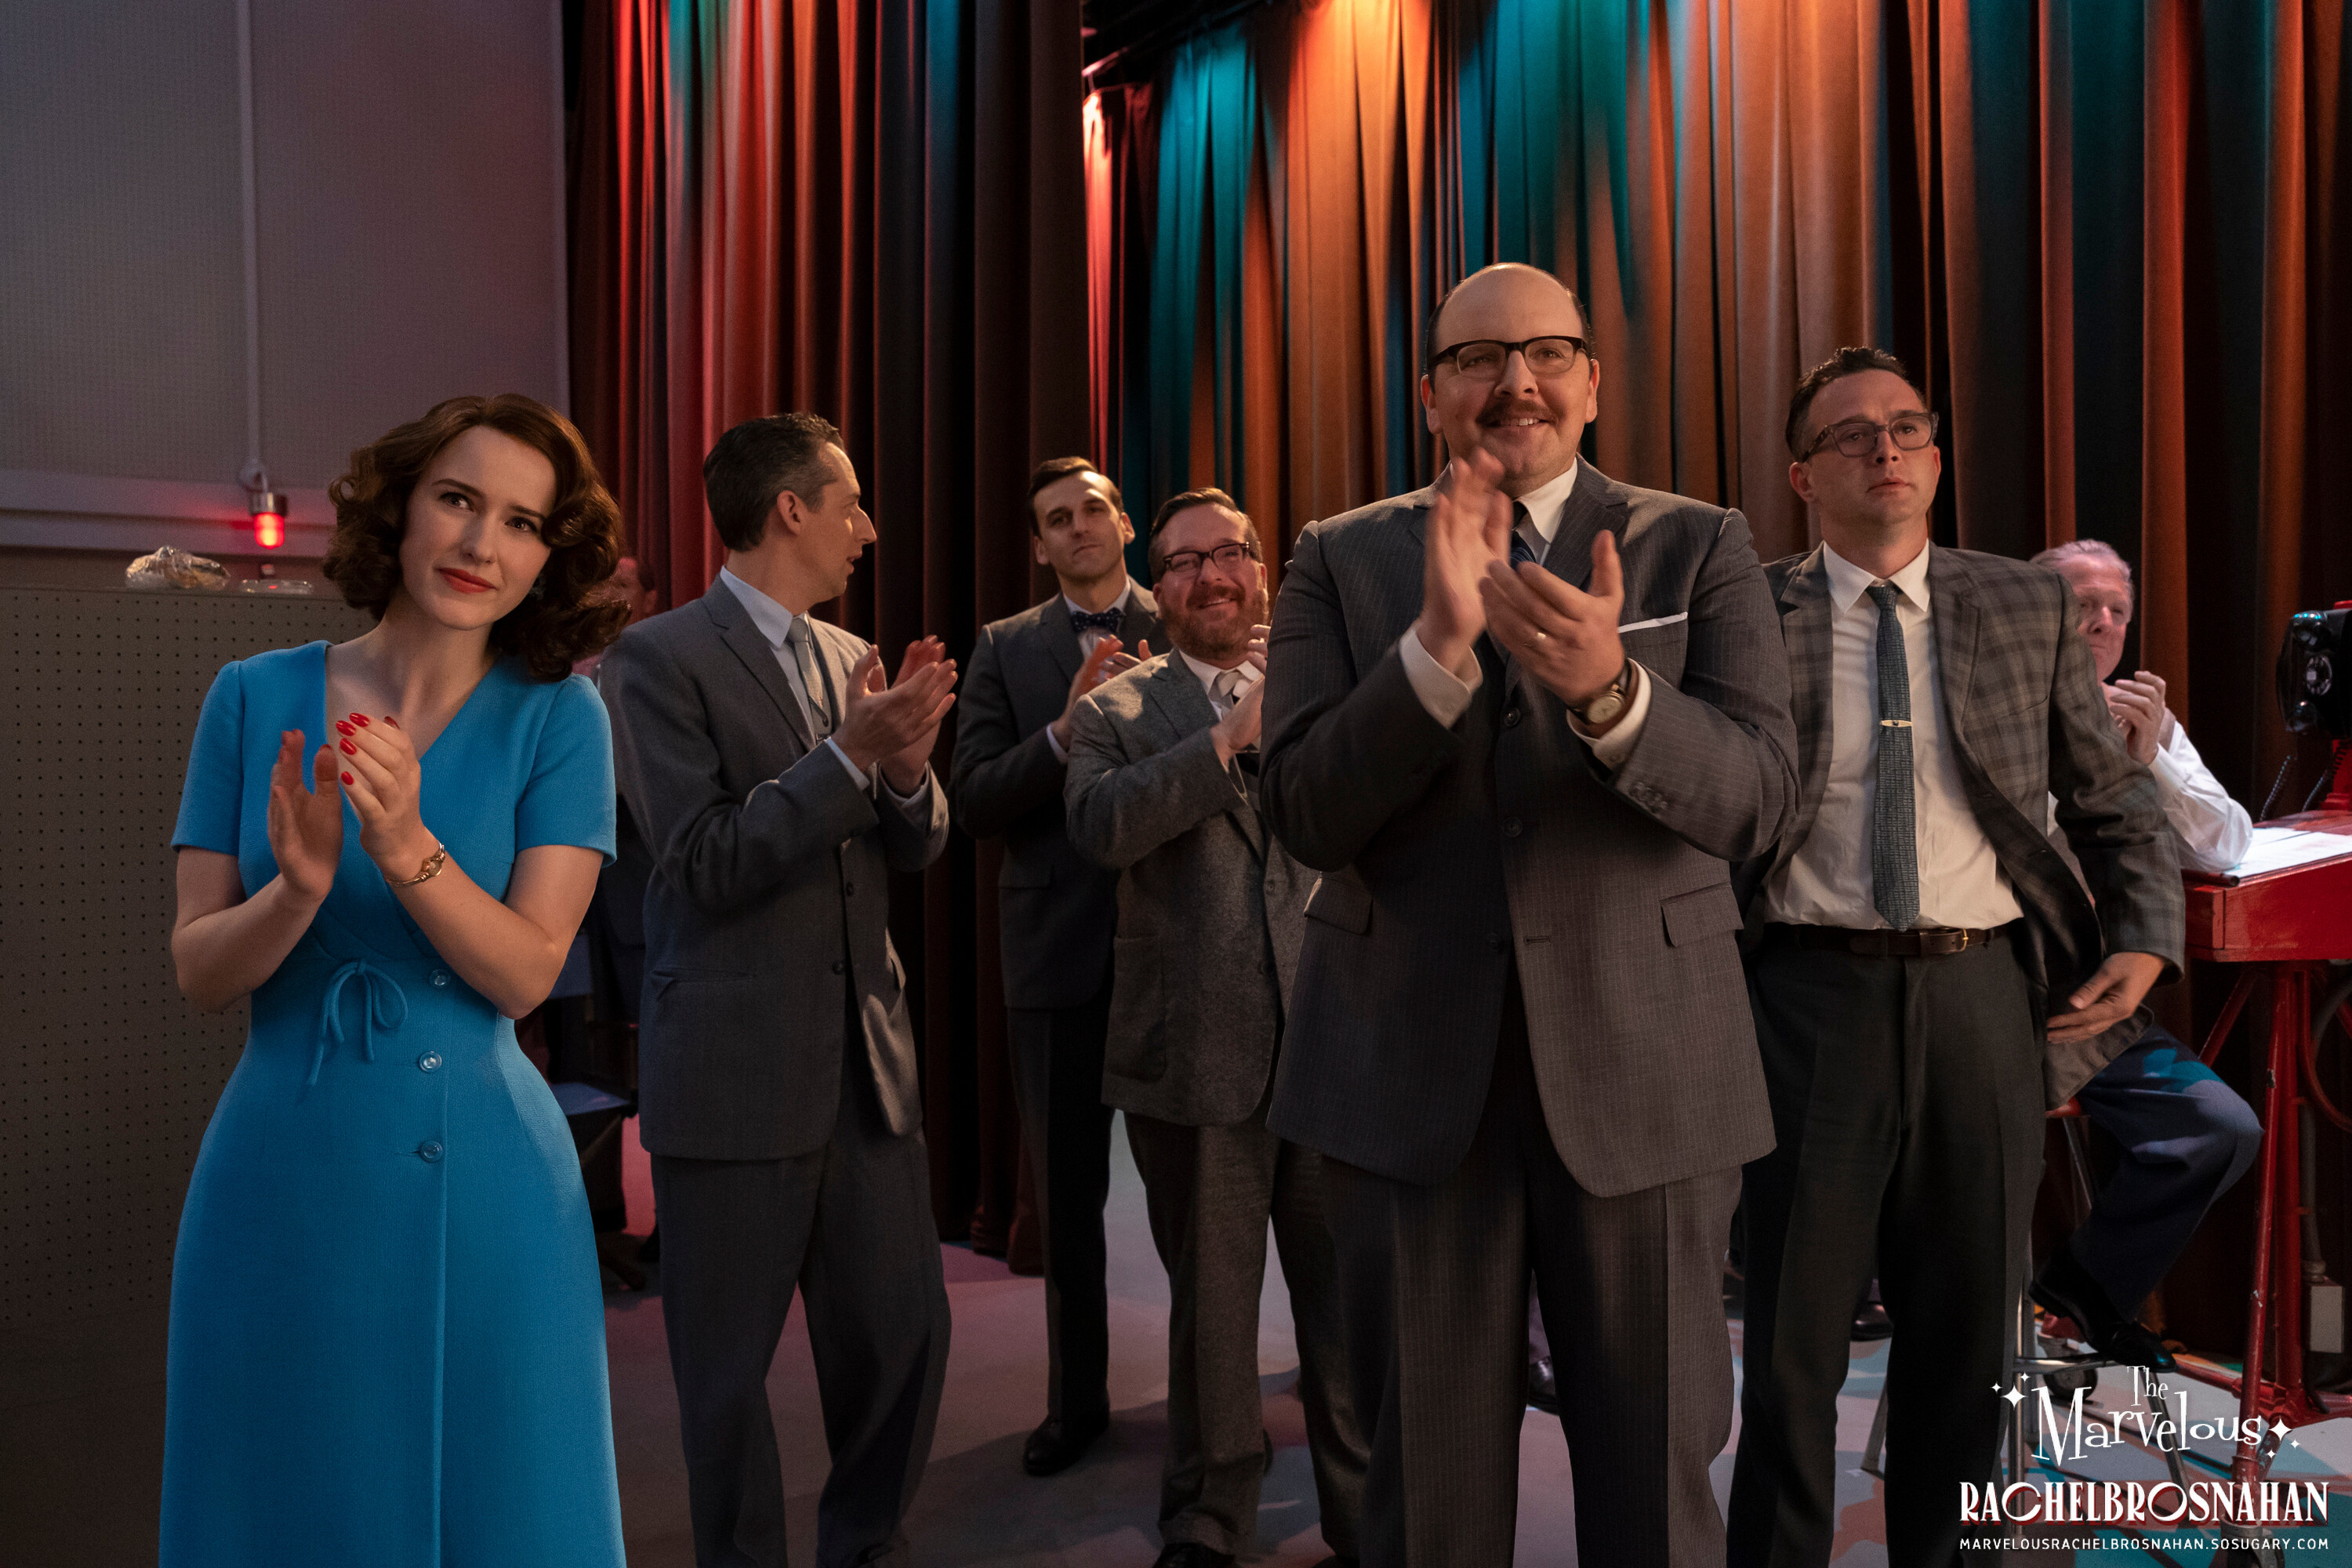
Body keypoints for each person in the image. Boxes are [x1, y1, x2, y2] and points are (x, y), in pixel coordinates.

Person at [1258, 261, 1799, 1566]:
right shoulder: (1337, 557)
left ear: (1593, 382)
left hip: (1648, 1072)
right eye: (1480, 359)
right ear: (1430, 392)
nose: (1518, 383)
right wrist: (1433, 658)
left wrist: (1615, 692)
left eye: (1548, 352)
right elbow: (1304, 814)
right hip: (1405, 1079)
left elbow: (1760, 801)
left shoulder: (1700, 541)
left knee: (1654, 1488)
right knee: (1426, 1499)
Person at [1726, 349, 2184, 1567]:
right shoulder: (1750, 612)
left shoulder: (2022, 605)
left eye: (1908, 427)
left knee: (1972, 1354)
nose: (1885, 449)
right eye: (1851, 434)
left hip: (1983, 996)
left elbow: (2111, 798)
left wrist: (2147, 938)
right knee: (1788, 1356)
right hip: (1802, 1000)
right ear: (1802, 475)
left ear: (1935, 456)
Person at [163, 394, 630, 1565]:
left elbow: (527, 973)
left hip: (488, 1177)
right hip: (279, 1163)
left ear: (550, 557)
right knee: (276, 1499)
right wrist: (298, 891)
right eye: (459, 500)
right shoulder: (250, 695)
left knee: (504, 1506)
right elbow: (199, 969)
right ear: (402, 508)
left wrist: (407, 845)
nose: (482, 544)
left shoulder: (562, 716)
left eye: (522, 523)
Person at [599, 412, 956, 1567]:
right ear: (790, 509)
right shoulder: (656, 658)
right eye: (850, 503)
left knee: (905, 1342)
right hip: (734, 1073)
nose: (868, 528)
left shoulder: (849, 650)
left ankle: (867, 1546)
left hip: (868, 1072)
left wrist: (906, 773)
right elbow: (702, 860)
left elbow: (916, 846)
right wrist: (850, 757)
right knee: (724, 1380)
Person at [1065, 489, 1368, 1568]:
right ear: (1160, 588)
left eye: (1229, 552)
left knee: (1348, 1304)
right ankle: (1208, 1512)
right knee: (1213, 1308)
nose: (1211, 575)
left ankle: (1365, 1509)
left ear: (1263, 569)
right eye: (1185, 561)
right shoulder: (1114, 707)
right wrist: (1227, 741)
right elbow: (1099, 827)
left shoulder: (1329, 687)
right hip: (1194, 1051)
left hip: (1333, 1048)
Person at [947, 456, 1163, 1475]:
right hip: (1055, 952)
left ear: (1124, 522)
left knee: (1198, 1196)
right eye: (1057, 519)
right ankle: (1076, 1404)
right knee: (1067, 1200)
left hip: (1179, 944)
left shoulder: (1184, 616)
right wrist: (1065, 731)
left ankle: (1214, 1403)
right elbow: (975, 799)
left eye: (1093, 509)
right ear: (1039, 545)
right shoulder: (1004, 647)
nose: (1079, 527)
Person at [2027, 537, 2261, 1368]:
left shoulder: (2142, 718)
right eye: (2082, 604)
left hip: (2094, 1002)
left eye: (2117, 610)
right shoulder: (1994, 704)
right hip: (1994, 989)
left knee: (2220, 1128)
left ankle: (2078, 1296)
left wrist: (2153, 756)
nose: (2102, 622)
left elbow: (2227, 843)